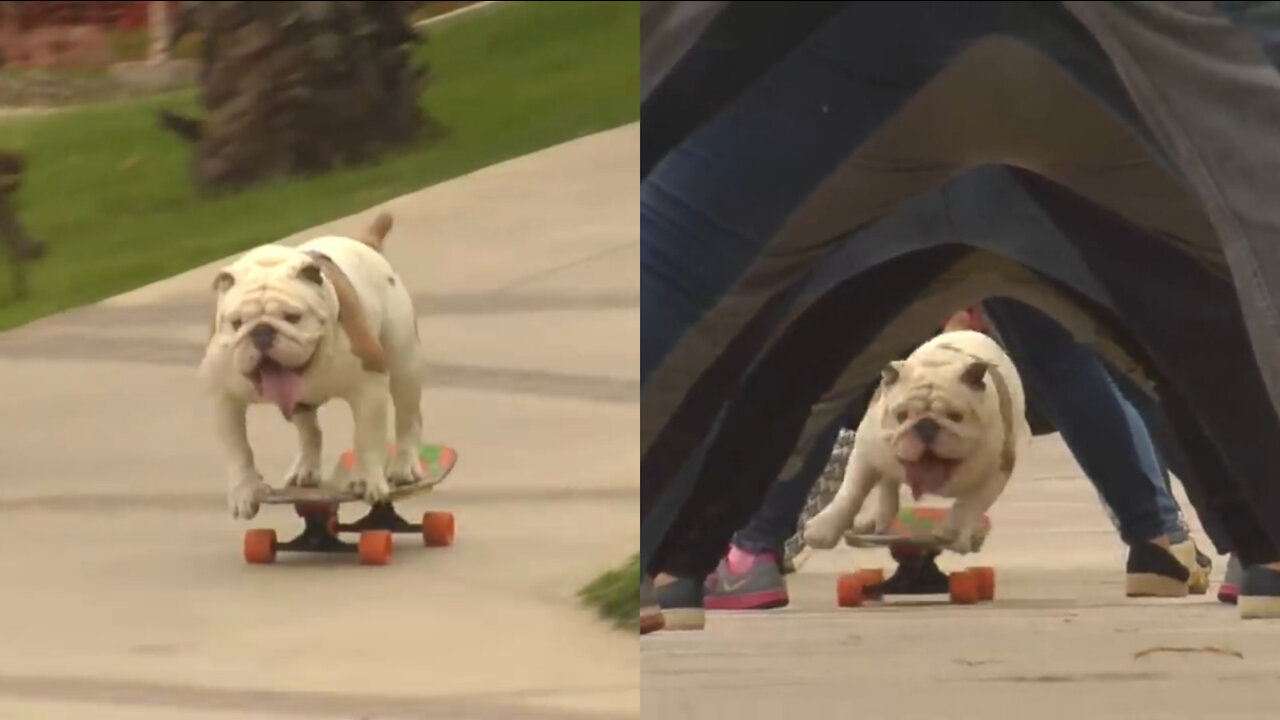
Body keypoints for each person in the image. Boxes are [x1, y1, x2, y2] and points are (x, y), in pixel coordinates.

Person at [661, 301, 1213, 627]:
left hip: (895, 147)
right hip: (1014, 148)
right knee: (1068, 355)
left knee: (831, 350)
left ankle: (754, 546)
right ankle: (1158, 541)